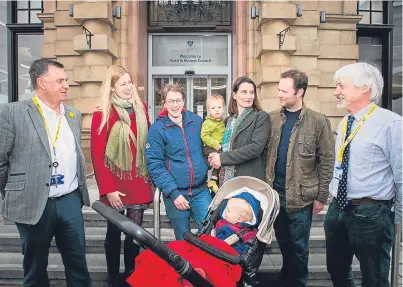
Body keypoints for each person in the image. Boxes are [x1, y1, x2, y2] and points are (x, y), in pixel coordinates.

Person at [0, 58, 91, 287]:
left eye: (66, 80)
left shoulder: (73, 114)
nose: (66, 85)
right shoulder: (13, 113)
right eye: (59, 80)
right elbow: (1, 161)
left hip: (70, 201)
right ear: (41, 83)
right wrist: (15, 191)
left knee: (78, 264)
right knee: (35, 268)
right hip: (33, 203)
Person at [325, 62, 402, 287]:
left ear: (364, 89)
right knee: (337, 271)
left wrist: (397, 218)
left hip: (372, 213)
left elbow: (401, 173)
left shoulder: (391, 124)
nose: (336, 92)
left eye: (341, 86)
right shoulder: (344, 123)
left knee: (374, 278)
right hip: (337, 209)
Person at [265, 69, 335, 287]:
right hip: (276, 195)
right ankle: (287, 279)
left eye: (284, 91)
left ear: (300, 92)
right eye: (279, 89)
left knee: (299, 247)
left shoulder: (318, 122)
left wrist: (321, 196)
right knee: (284, 242)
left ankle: (298, 282)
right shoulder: (272, 119)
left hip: (301, 197)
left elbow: (326, 161)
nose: (279, 94)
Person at [90, 65, 153, 287]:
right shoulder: (103, 112)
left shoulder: (142, 108)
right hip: (115, 184)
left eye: (129, 82)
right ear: (113, 88)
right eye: (122, 84)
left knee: (135, 233)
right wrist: (107, 189)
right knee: (114, 231)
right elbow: (98, 155)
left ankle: (130, 275)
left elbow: (151, 141)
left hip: (138, 181)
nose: (128, 87)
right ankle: (113, 277)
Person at [146, 83, 212, 240]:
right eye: (170, 101)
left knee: (210, 233)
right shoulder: (157, 129)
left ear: (183, 101)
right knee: (183, 239)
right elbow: (155, 165)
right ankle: (188, 265)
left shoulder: (196, 121)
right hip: (176, 194)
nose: (175, 105)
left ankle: (205, 265)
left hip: (200, 191)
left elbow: (206, 147)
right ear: (164, 103)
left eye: (178, 100)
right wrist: (174, 194)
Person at [208, 76, 271, 185]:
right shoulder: (228, 120)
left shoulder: (261, 117)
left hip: (248, 180)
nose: (248, 96)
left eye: (251, 92)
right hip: (225, 181)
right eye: (244, 92)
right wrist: (214, 156)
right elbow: (223, 146)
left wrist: (222, 158)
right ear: (234, 95)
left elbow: (254, 148)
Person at [200, 94, 226, 194]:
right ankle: (211, 181)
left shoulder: (222, 122)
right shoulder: (208, 122)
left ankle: (213, 181)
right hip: (210, 147)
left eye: (219, 107)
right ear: (209, 110)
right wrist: (216, 144)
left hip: (218, 147)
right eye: (213, 108)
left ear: (223, 109)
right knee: (218, 159)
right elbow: (204, 136)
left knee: (220, 162)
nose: (216, 110)